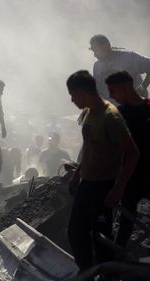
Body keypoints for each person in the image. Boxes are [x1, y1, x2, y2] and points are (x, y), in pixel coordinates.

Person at [66, 70, 139, 273]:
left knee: (101, 237)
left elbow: (133, 153)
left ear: (83, 92)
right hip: (87, 183)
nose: (72, 100)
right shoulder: (89, 112)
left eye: (73, 95)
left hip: (103, 186)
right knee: (75, 232)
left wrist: (118, 189)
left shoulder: (111, 117)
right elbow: (90, 146)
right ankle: (88, 272)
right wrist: (77, 172)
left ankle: (107, 275)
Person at [105, 71, 150, 247]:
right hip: (130, 178)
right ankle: (117, 264)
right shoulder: (118, 115)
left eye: (113, 91)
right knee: (125, 224)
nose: (110, 96)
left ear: (125, 88)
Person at [90, 34, 150, 99]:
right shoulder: (97, 66)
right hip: (111, 108)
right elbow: (97, 90)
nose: (95, 55)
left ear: (106, 46)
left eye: (96, 50)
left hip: (132, 106)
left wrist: (142, 88)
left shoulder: (129, 57)